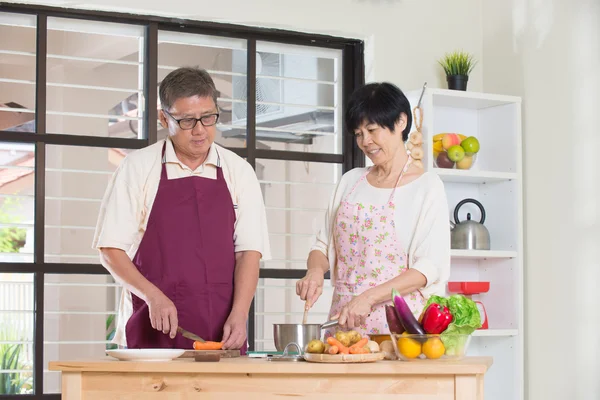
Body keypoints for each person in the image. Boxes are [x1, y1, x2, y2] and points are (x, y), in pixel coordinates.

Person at [93, 67, 270, 354]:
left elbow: (249, 252)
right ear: (164, 118)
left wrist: (240, 313)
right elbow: (110, 250)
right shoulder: (138, 168)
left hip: (222, 334)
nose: (200, 130)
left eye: (208, 117)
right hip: (151, 335)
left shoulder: (239, 171)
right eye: (187, 120)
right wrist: (152, 296)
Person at [296, 82, 450, 338]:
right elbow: (322, 245)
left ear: (401, 122)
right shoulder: (349, 182)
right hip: (343, 325)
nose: (365, 142)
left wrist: (368, 297)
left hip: (399, 330)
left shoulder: (426, 187)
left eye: (371, 130)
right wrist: (314, 271)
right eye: (358, 134)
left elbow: (429, 267)